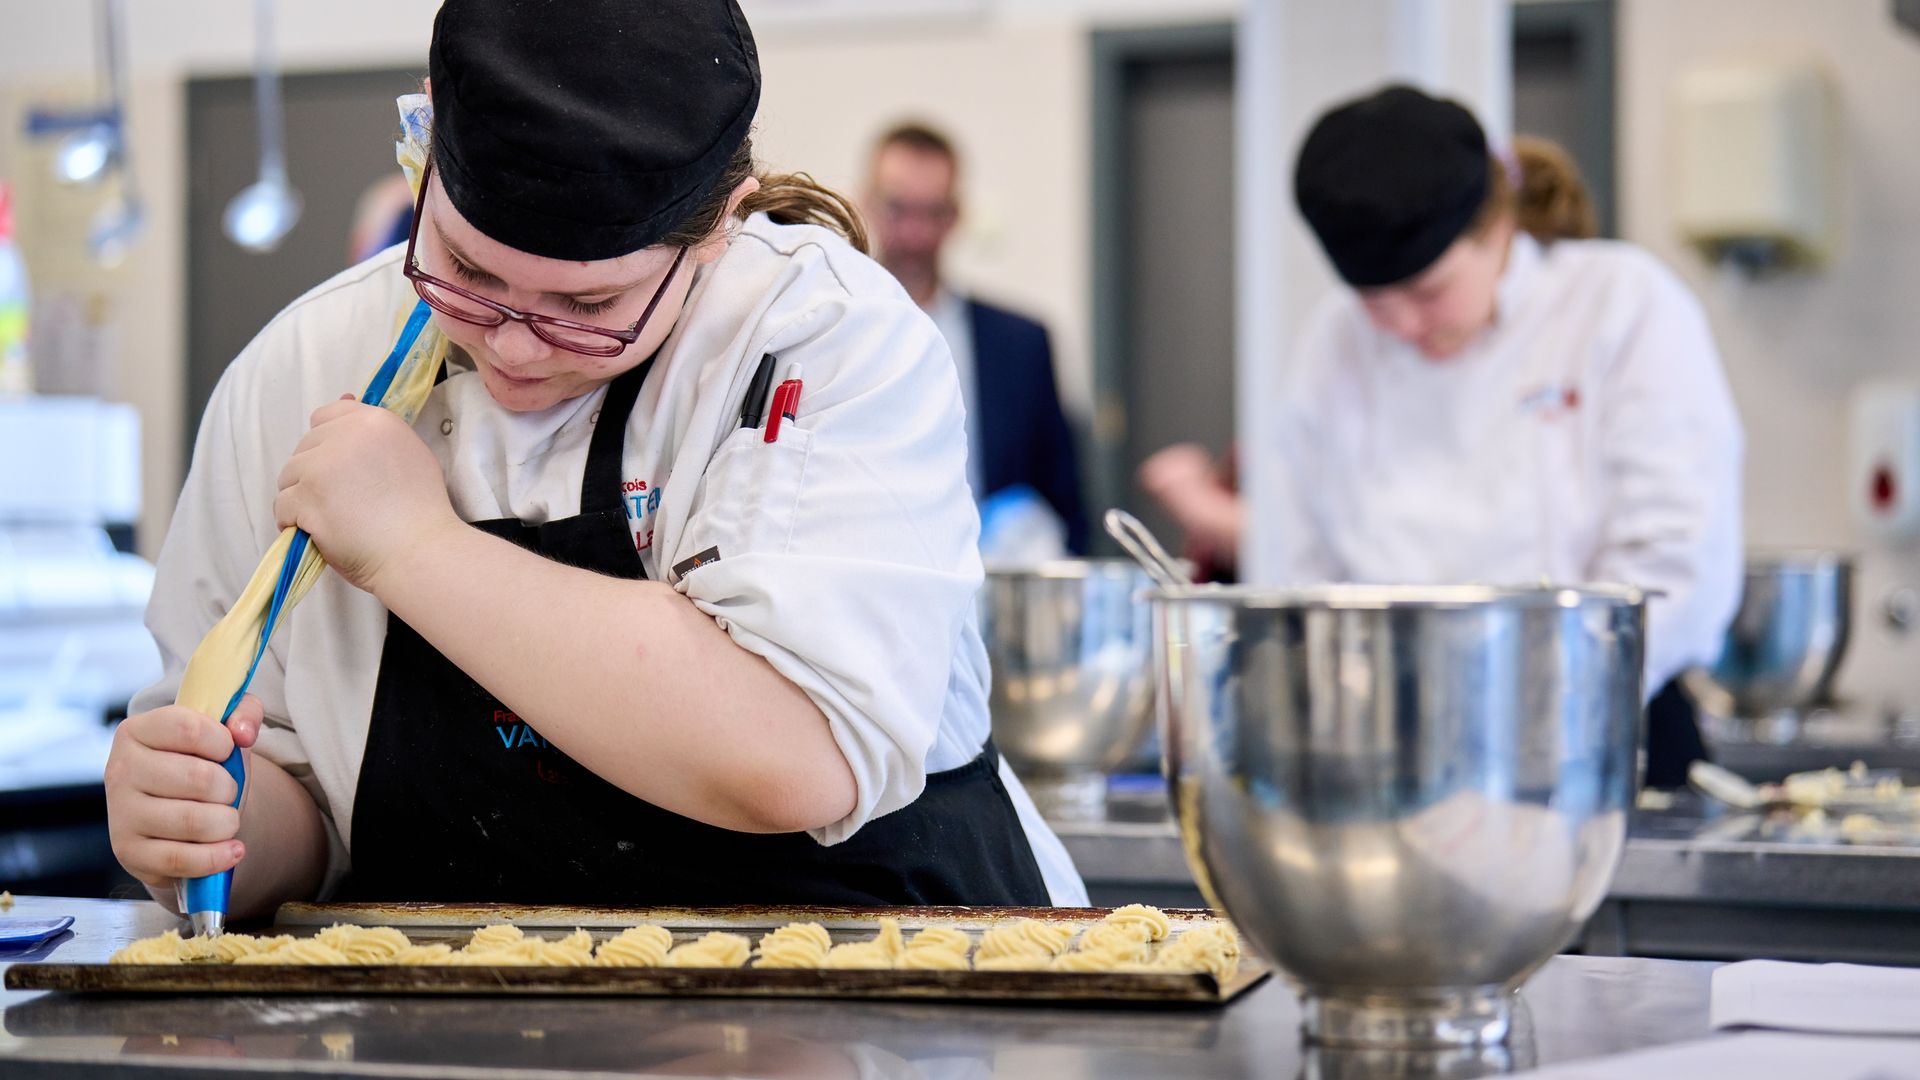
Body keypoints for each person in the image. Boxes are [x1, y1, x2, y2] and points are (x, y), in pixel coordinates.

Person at [104, 0, 1087, 916]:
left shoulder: (823, 339)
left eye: (587, 308)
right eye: (468, 271)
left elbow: (793, 753)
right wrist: (205, 826)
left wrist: (413, 547)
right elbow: (307, 806)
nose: (515, 346)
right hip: (462, 1029)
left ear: (715, 229)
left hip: (877, 1000)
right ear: (424, 140)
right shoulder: (307, 365)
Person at [1140, 85, 1743, 787]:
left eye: (1428, 293)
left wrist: (1517, 723)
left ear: (1498, 232)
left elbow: (1677, 569)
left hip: (1599, 739)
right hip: (1388, 750)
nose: (1399, 326)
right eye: (1373, 302)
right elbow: (1303, 568)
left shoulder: (1619, 305)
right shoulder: (1333, 345)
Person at [864, 122, 1089, 554]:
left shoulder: (1020, 344)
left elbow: (1066, 500)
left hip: (992, 588)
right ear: (867, 204)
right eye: (898, 209)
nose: (915, 233)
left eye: (933, 212)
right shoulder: (829, 332)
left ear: (957, 214)